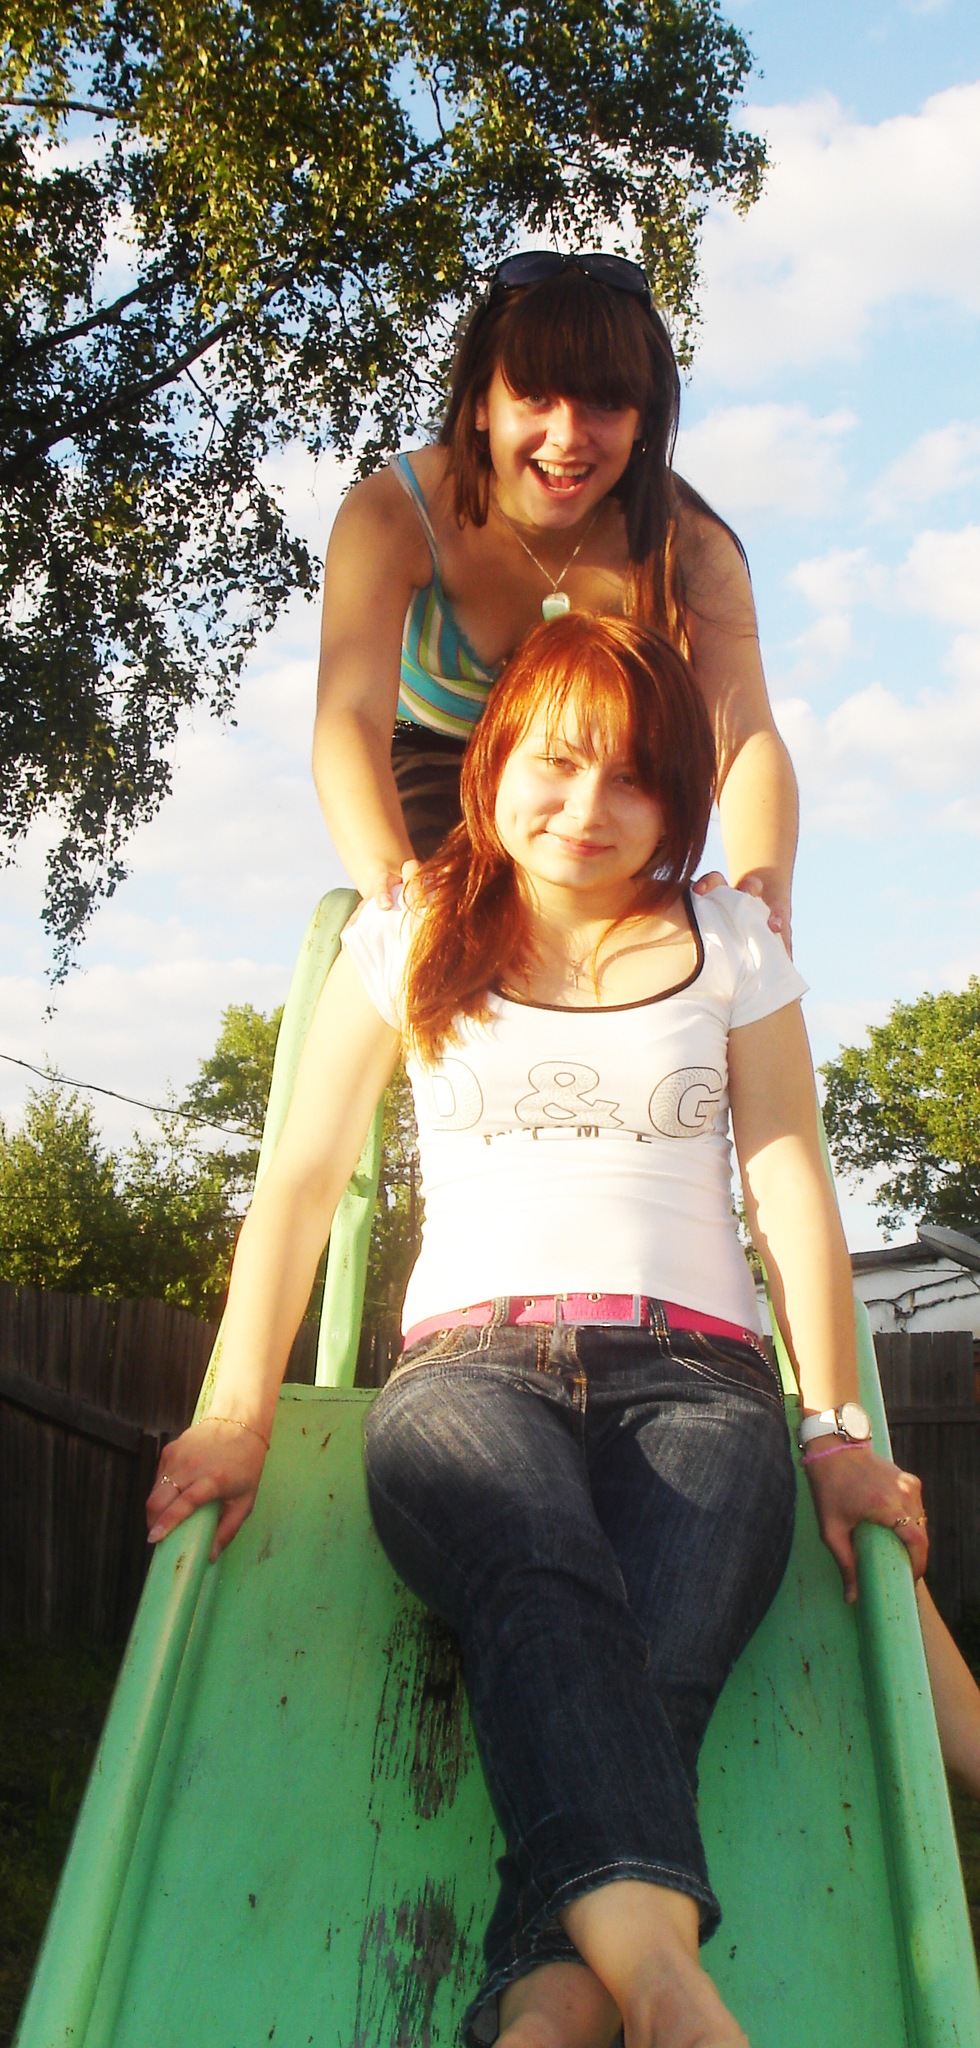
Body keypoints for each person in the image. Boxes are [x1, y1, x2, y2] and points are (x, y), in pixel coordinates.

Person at [148, 615, 929, 2048]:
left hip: (699, 1377)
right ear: (495, 760)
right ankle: (672, 1994)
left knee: (655, 1673)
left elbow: (789, 1186)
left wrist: (834, 1434)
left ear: (677, 802)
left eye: (631, 777)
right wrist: (235, 1413)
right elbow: (304, 1179)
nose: (585, 806)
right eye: (556, 762)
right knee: (541, 1569)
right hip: (469, 1372)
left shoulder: (730, 943)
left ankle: (546, 2013)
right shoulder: (409, 931)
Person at [313, 252, 798, 941]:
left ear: (642, 420)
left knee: (649, 950)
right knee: (451, 940)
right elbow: (350, 716)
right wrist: (392, 886)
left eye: (604, 404)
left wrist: (763, 893)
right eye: (535, 398)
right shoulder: (393, 516)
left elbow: (744, 734)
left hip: (604, 782)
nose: (567, 437)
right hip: (437, 767)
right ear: (480, 405)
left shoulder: (688, 543)